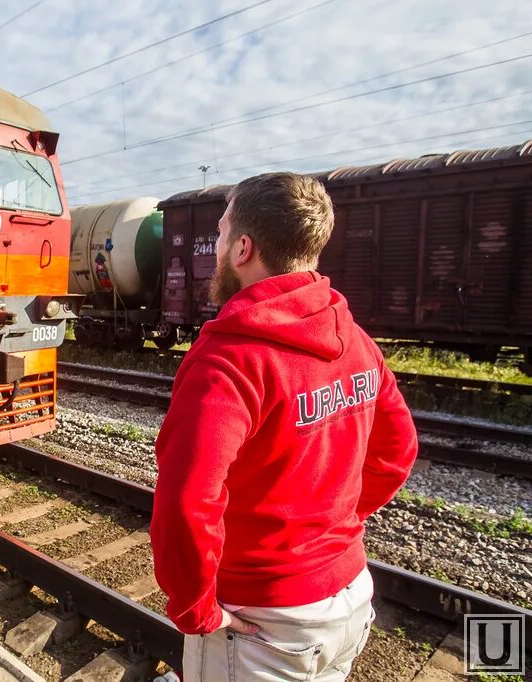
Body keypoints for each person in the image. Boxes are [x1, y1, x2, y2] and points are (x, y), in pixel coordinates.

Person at [151, 173, 418, 681]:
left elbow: (188, 500)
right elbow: (397, 451)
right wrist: (331, 526)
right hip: (349, 598)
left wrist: (195, 609)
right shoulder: (354, 338)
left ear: (243, 248)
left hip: (265, 624)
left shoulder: (228, 361)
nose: (218, 244)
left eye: (223, 232)